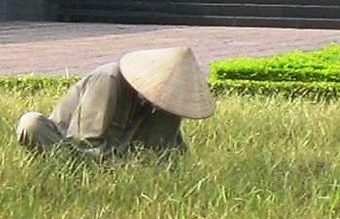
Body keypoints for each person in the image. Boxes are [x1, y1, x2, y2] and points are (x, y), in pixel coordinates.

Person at [16, 46, 216, 159]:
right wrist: (117, 172)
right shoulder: (109, 79)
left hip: (124, 156)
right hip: (77, 153)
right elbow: (84, 141)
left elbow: (174, 149)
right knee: (31, 123)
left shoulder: (164, 108)